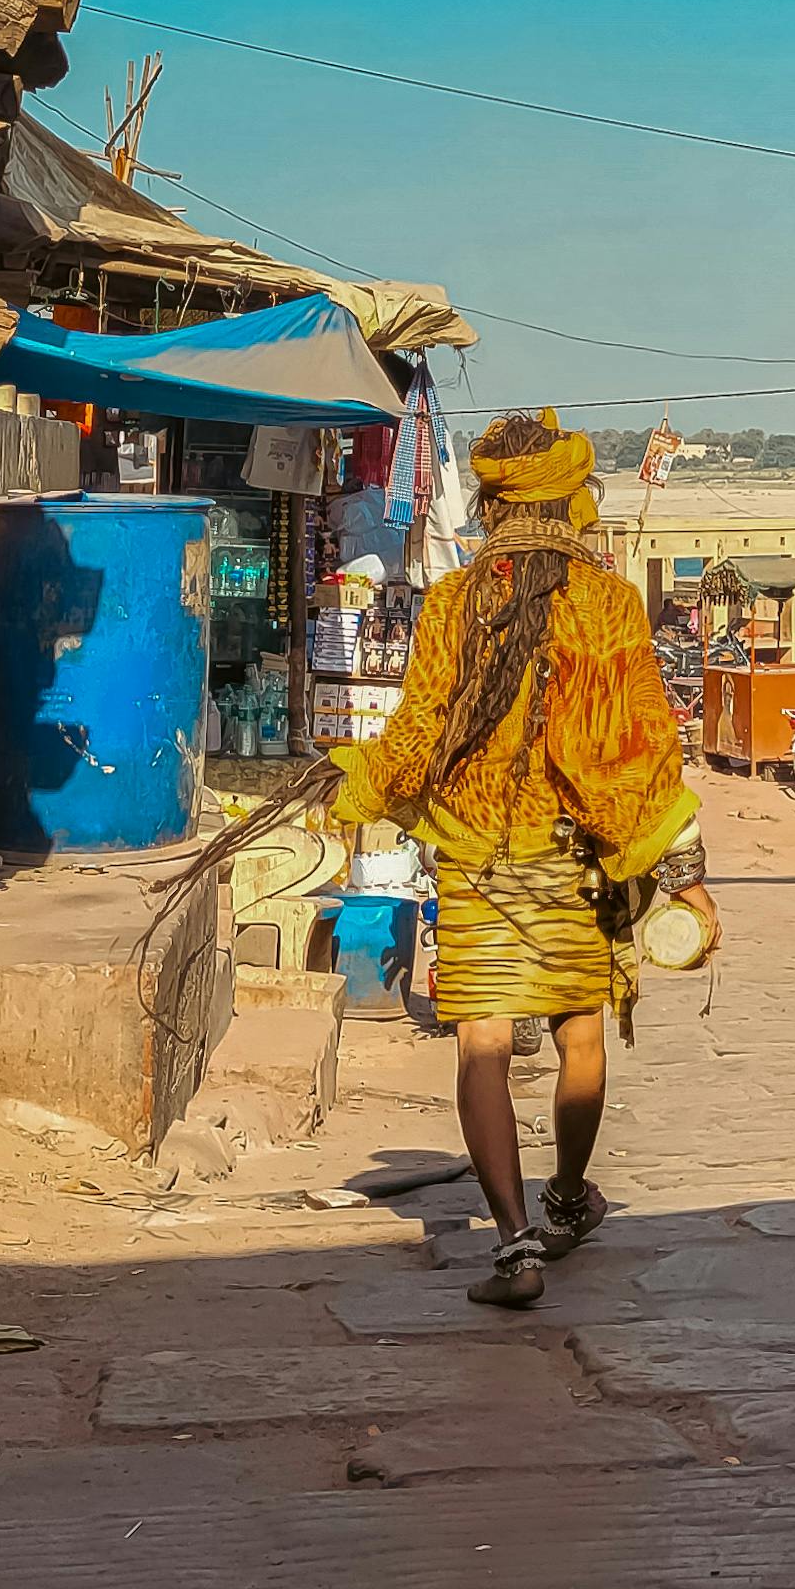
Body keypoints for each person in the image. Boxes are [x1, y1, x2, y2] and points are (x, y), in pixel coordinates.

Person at [324, 413, 723, 1306]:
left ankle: (513, 1245)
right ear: (570, 497)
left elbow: (418, 725)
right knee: (581, 1032)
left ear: (495, 501)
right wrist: (685, 876)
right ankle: (568, 1197)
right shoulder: (611, 601)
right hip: (577, 856)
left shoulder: (457, 599)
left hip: (474, 855)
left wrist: (354, 790)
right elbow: (644, 744)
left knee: (483, 1042)